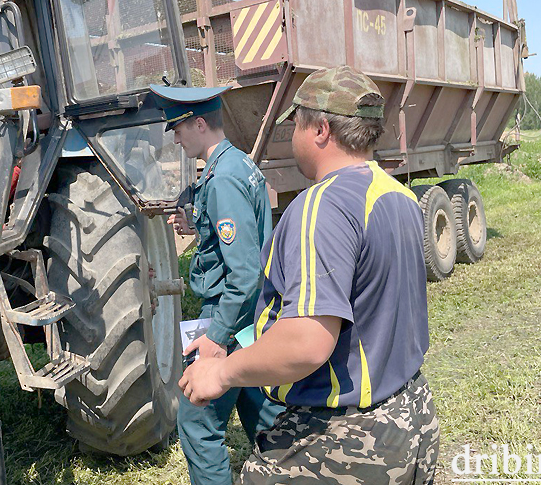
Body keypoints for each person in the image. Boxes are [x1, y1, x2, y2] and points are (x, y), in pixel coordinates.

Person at [178, 66, 440, 484]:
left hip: (347, 437)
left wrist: (221, 372)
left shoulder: (322, 206)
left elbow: (306, 342)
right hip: (413, 411)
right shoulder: (400, 195)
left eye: (296, 124)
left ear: (320, 129)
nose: (292, 136)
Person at [149, 84, 284, 485]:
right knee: (264, 414)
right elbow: (240, 239)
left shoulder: (222, 178)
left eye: (179, 128)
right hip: (253, 317)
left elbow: (242, 275)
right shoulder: (237, 165)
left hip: (230, 315)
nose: (176, 137)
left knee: (196, 417)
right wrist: (197, 224)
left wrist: (216, 338)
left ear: (200, 124)